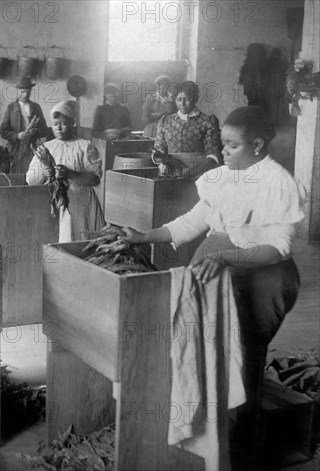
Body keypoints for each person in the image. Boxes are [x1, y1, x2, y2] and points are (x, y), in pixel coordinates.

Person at [119, 106, 306, 471]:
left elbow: (277, 248)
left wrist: (227, 258)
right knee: (209, 353)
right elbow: (196, 219)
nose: (223, 152)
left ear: (257, 144)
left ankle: (240, 453)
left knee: (244, 361)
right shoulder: (224, 176)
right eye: (222, 144)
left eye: (232, 146)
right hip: (222, 269)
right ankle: (207, 442)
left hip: (263, 279)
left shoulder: (277, 182)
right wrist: (144, 236)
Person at [27, 101, 104, 242]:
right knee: (61, 242)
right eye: (55, 124)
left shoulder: (84, 147)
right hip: (56, 207)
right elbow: (31, 181)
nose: (59, 128)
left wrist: (70, 174)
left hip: (82, 206)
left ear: (72, 123)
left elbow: (95, 179)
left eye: (63, 124)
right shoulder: (46, 148)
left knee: (83, 243)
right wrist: (45, 167)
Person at [153, 81, 222, 179]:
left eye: (187, 99)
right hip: (170, 174)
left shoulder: (207, 121)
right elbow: (159, 149)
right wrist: (161, 157)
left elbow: (213, 156)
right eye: (179, 99)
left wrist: (188, 175)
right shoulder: (166, 121)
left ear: (195, 99)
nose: (182, 103)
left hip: (199, 173)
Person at [0, 77, 48, 175]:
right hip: (15, 150)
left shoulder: (36, 107)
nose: (25, 93)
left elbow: (44, 129)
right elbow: (2, 131)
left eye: (28, 90)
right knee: (15, 174)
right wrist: (17, 135)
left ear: (30, 90)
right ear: (19, 90)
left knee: (32, 175)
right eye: (23, 91)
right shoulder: (11, 108)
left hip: (31, 149)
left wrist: (36, 131)